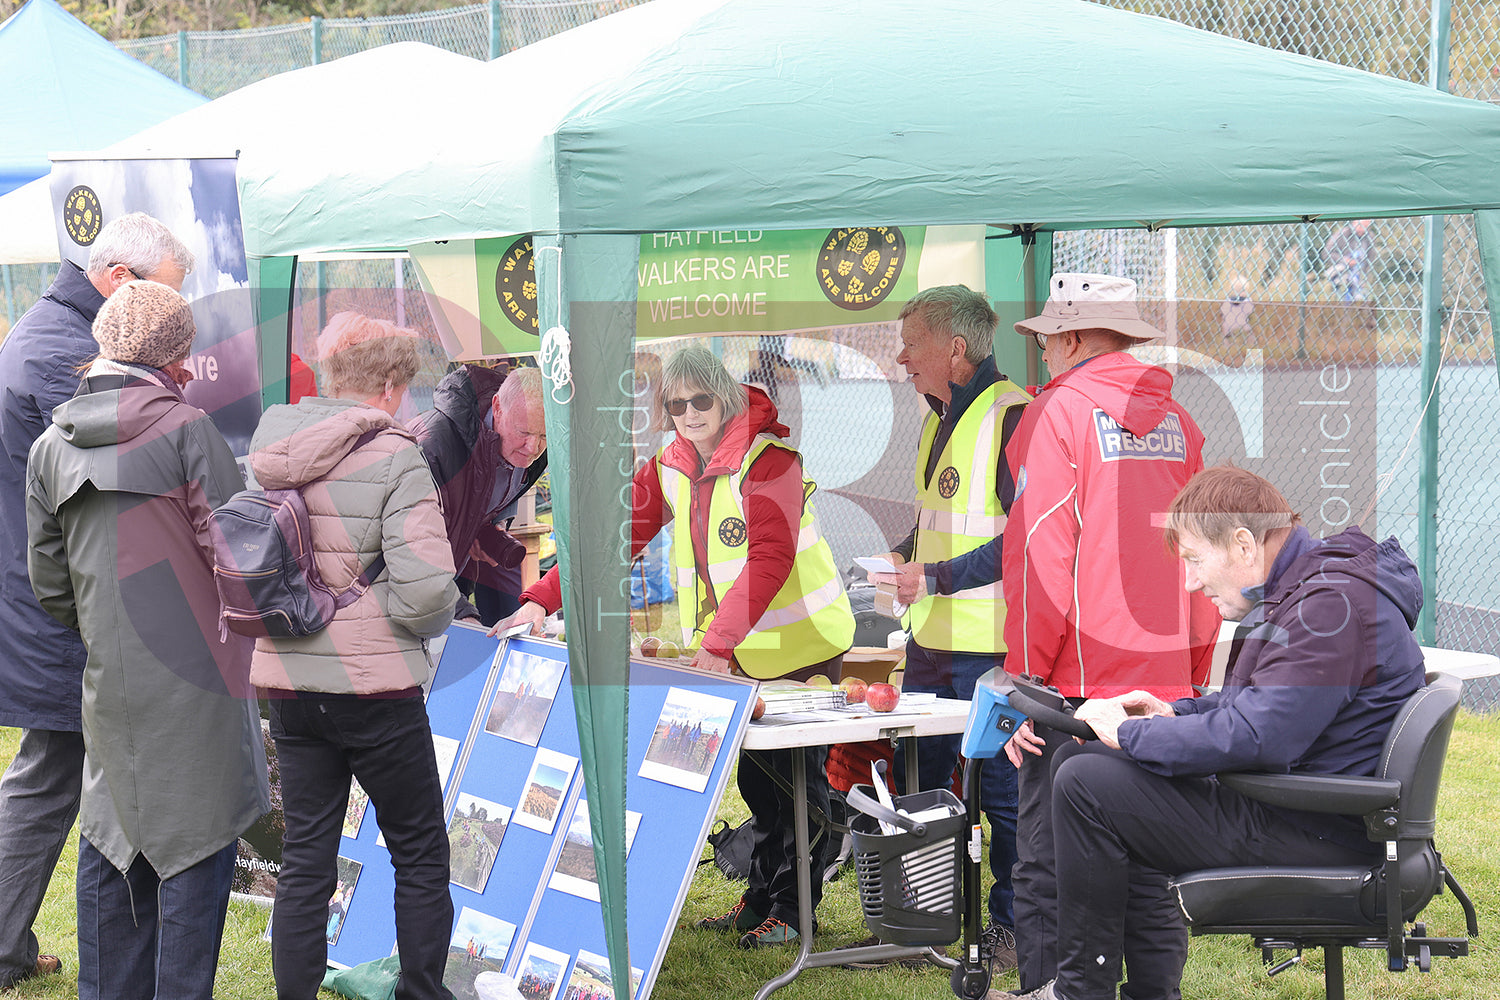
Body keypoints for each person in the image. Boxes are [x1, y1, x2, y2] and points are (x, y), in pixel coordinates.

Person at [1005, 466, 1426, 1000]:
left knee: (1087, 782)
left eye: (1195, 560)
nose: (1190, 582)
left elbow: (1261, 735)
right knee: (1085, 767)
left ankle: (1079, 992)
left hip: (1315, 832)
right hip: (1309, 813)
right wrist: (1172, 715)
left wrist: (1131, 736)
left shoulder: (1328, 610)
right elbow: (1261, 705)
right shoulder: (1317, 593)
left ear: (1243, 544)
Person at [505, 344, 855, 948]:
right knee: (756, 783)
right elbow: (609, 539)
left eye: (701, 400)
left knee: (797, 784)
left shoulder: (771, 463)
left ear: (724, 397)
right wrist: (542, 598)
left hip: (801, 648)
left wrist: (717, 643)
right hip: (738, 655)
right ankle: (762, 897)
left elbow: (770, 559)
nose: (690, 413)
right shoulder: (671, 465)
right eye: (677, 404)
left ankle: (797, 912)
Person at [25, 280, 269, 1000]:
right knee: (191, 884)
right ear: (180, 357)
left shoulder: (50, 447)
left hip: (114, 694)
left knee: (111, 860)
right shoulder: (190, 432)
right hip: (201, 695)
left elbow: (51, 587)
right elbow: (240, 565)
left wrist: (115, 632)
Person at [1002, 272, 1219, 996]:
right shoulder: (1181, 425)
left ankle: (1047, 991)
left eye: (1047, 343)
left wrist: (1026, 689)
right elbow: (1203, 567)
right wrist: (1187, 682)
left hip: (1073, 691)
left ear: (1069, 338)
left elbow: (1040, 559)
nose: (1044, 358)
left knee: (1047, 863)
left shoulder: (1054, 414)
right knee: (1149, 864)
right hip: (1161, 690)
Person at [0, 213, 192, 992]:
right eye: (164, 302)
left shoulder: (49, 332)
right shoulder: (61, 355)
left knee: (52, 780)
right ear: (119, 280)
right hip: (61, 614)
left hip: (54, 604)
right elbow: (109, 485)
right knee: (54, 784)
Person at [247, 312, 459, 1000]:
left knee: (307, 858)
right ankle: (421, 991)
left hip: (289, 681)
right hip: (375, 689)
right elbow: (427, 590)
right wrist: (389, 625)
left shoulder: (273, 444)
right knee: (420, 853)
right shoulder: (399, 456)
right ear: (394, 384)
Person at [860, 284, 1030, 969]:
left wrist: (930, 577)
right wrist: (904, 554)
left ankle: (1013, 929)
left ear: (954, 350)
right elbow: (938, 520)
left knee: (1003, 795)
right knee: (923, 786)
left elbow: (1022, 539)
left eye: (910, 344)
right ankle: (923, 926)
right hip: (931, 642)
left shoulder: (1013, 417)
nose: (900, 357)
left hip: (989, 644)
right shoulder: (939, 419)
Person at [412, 363, 548, 619]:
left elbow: (496, 490)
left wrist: (487, 526)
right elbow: (413, 556)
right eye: (524, 433)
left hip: (455, 570)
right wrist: (462, 613)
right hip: (409, 586)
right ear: (497, 407)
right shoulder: (434, 447)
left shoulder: (532, 449)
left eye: (543, 435)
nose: (533, 448)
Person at [1322, 218, 1373, 302]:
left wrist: (1364, 278)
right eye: (1360, 226)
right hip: (1341, 273)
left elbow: (1370, 260)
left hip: (1359, 274)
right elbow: (1326, 253)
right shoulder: (1343, 234)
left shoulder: (1369, 237)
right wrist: (1345, 260)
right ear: (1354, 223)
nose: (1362, 229)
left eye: (1365, 227)